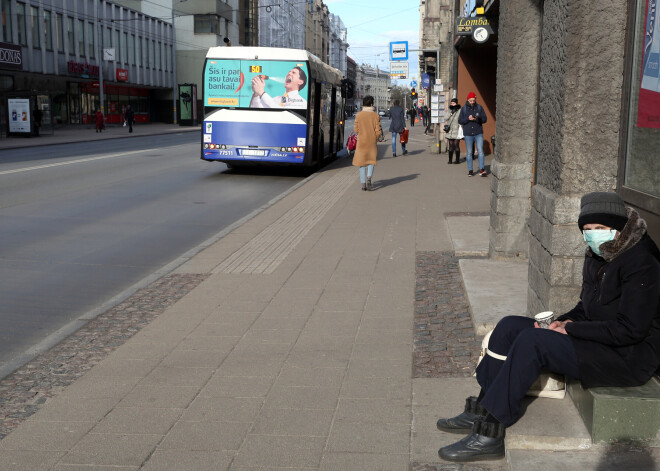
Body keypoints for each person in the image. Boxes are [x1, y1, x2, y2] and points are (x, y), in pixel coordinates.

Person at [436, 191, 660, 462]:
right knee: (510, 326)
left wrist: (571, 330)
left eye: (600, 228)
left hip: (628, 356)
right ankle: (481, 410)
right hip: (600, 338)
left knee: (533, 342)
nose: (592, 235)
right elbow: (585, 307)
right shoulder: (600, 253)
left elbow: (630, 330)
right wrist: (564, 321)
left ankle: (490, 434)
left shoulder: (642, 261)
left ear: (619, 228)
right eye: (587, 230)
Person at [353, 95, 382, 191]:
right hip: (372, 141)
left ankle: (363, 185)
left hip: (361, 142)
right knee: (371, 161)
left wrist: (360, 133)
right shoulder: (375, 115)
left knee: (361, 163)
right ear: (372, 104)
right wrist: (376, 138)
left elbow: (356, 129)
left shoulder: (359, 115)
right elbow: (378, 130)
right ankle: (369, 178)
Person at [458, 92, 487, 177]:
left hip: (478, 132)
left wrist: (478, 118)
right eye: (470, 100)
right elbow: (460, 121)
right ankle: (470, 170)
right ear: (467, 100)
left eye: (473, 100)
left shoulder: (479, 108)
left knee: (480, 151)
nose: (472, 102)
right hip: (468, 133)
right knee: (469, 152)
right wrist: (468, 119)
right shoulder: (464, 109)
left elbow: (485, 119)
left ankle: (482, 169)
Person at [444, 98, 462, 164]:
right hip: (450, 130)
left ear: (456, 103)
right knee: (451, 145)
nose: (452, 104)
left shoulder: (459, 110)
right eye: (451, 103)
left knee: (456, 145)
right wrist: (450, 114)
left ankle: (457, 160)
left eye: (454, 103)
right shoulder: (449, 110)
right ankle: (450, 160)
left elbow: (461, 119)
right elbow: (445, 118)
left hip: (457, 130)